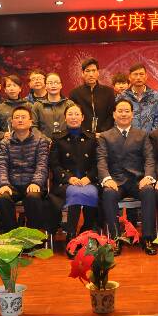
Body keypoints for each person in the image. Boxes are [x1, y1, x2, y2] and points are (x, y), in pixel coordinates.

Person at [97, 99, 157, 255]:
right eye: (120, 111)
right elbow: (101, 160)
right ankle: (116, 239)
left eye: (127, 111)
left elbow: (150, 158)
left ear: (132, 114)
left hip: (138, 180)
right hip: (116, 181)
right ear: (114, 114)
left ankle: (148, 238)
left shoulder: (142, 135)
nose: (123, 114)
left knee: (149, 191)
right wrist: (107, 179)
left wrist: (148, 176)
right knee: (108, 193)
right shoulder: (105, 136)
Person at [49, 104, 99, 252]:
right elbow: (54, 165)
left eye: (77, 114)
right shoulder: (58, 138)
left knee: (92, 192)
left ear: (82, 117)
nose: (73, 117)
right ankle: (71, 236)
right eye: (70, 114)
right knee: (75, 193)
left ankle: (87, 232)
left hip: (87, 181)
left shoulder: (91, 138)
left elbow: (98, 163)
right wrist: (69, 178)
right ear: (65, 118)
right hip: (64, 183)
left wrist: (89, 177)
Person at [0, 106, 52, 233]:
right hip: (12, 185)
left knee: (33, 197)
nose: (20, 120)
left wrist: (36, 183)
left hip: (32, 183)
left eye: (23, 117)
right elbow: (1, 166)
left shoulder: (41, 142)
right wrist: (3, 184)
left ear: (31, 122)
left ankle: (33, 237)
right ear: (12, 122)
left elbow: (42, 166)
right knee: (2, 198)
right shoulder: (5, 143)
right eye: (17, 117)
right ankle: (12, 234)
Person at [70, 58, 116, 134]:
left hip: (104, 134)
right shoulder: (75, 93)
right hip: (83, 135)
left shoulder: (108, 92)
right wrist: (85, 133)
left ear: (98, 73)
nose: (91, 74)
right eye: (87, 71)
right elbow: (73, 116)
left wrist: (103, 132)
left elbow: (111, 115)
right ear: (82, 73)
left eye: (94, 70)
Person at [118, 63, 158, 133]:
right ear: (129, 77)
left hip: (150, 138)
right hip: (128, 138)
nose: (138, 77)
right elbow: (118, 119)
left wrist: (152, 136)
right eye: (135, 74)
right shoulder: (122, 97)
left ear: (146, 76)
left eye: (141, 74)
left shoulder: (155, 96)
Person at [32, 72, 75, 138]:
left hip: (66, 141)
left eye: (56, 83)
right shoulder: (37, 105)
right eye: (50, 83)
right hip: (44, 142)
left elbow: (74, 124)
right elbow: (33, 127)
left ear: (61, 85)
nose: (53, 85)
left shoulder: (69, 104)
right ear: (45, 86)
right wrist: (45, 140)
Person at [0, 75, 32, 143]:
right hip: (8, 143)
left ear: (20, 89)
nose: (12, 88)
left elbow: (34, 126)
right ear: (5, 90)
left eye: (14, 85)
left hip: (27, 142)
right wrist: (3, 134)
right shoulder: (0, 108)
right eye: (8, 86)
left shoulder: (28, 106)